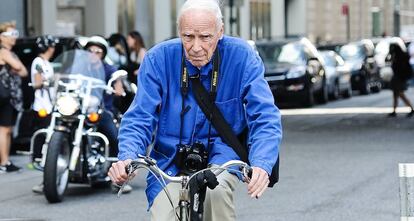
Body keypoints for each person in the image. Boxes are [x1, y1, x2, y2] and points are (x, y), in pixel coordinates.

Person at [108, 0, 282, 220]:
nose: (196, 46)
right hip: (169, 158)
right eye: (188, 37)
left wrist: (261, 164)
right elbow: (140, 117)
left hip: (223, 153)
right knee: (164, 215)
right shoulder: (158, 58)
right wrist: (127, 158)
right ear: (179, 32)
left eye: (205, 37)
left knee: (216, 193)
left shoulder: (242, 57)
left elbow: (264, 115)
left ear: (220, 32)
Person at [84, 36, 132, 193]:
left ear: (103, 53)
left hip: (101, 109)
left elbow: (117, 79)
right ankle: (47, 177)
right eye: (90, 51)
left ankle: (118, 179)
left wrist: (118, 87)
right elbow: (64, 75)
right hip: (79, 109)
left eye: (97, 51)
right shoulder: (81, 67)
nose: (93, 54)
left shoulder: (108, 68)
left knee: (114, 136)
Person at [30, 35, 58, 193]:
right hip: (42, 107)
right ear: (49, 47)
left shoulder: (47, 63)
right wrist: (50, 81)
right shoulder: (38, 62)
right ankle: (44, 178)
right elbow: (37, 82)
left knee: (51, 140)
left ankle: (49, 177)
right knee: (46, 142)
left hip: (51, 106)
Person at [0, 21, 28, 173]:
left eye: (15, 34)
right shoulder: (3, 52)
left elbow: (24, 72)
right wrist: (17, 67)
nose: (14, 38)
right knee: (4, 130)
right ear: (2, 37)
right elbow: (19, 68)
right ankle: (4, 162)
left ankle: (6, 160)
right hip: (5, 97)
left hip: (11, 98)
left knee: (8, 129)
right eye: (10, 34)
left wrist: (18, 67)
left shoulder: (11, 53)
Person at [387, 43, 414, 117]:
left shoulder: (400, 57)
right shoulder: (398, 56)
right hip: (398, 78)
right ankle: (394, 110)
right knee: (396, 94)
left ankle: (411, 108)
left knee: (400, 94)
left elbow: (400, 68)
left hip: (399, 78)